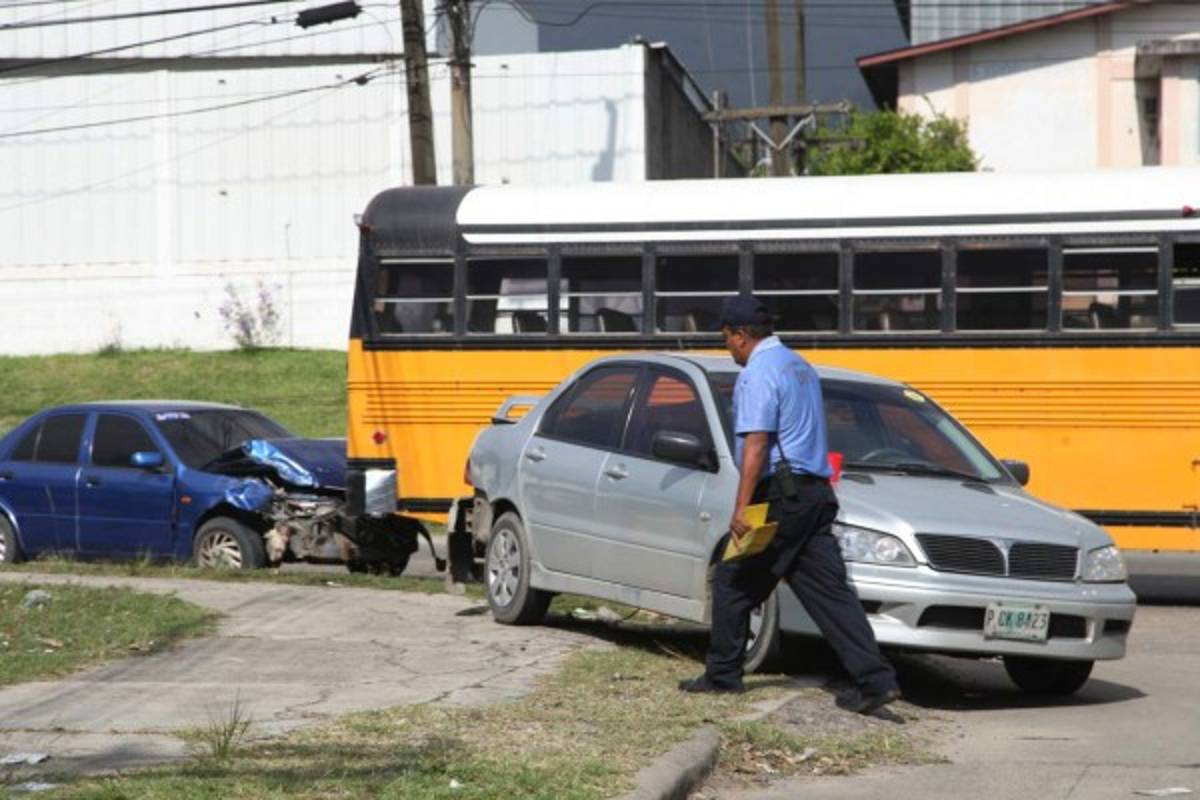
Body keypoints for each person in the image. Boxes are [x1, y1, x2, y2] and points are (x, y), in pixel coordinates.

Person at [678, 294, 901, 715]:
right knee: (832, 594)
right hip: (816, 495)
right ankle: (876, 681)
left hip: (783, 497)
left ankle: (723, 675)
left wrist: (741, 507)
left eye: (727, 337)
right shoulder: (799, 367)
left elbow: (757, 445)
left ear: (742, 335)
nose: (727, 347)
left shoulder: (758, 373)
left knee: (732, 580)